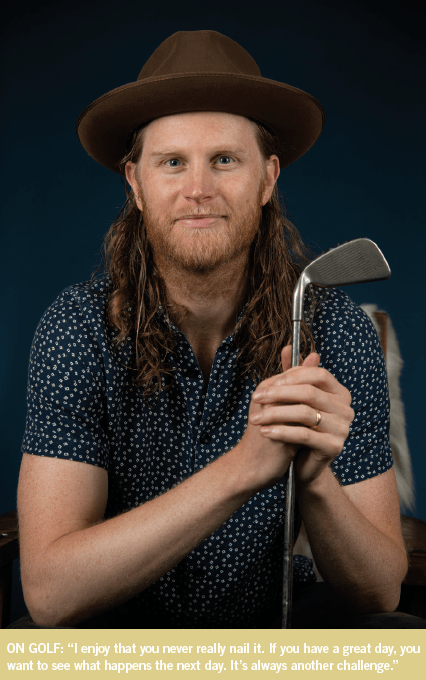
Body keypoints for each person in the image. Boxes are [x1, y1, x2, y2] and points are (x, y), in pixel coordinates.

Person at [16, 30, 417, 629]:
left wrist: (312, 477)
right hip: (120, 641)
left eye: (224, 160)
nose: (198, 189)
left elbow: (380, 590)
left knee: (400, 646)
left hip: (276, 633)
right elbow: (48, 595)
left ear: (267, 178)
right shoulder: (78, 327)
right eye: (172, 162)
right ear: (136, 184)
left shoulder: (334, 331)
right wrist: (244, 467)